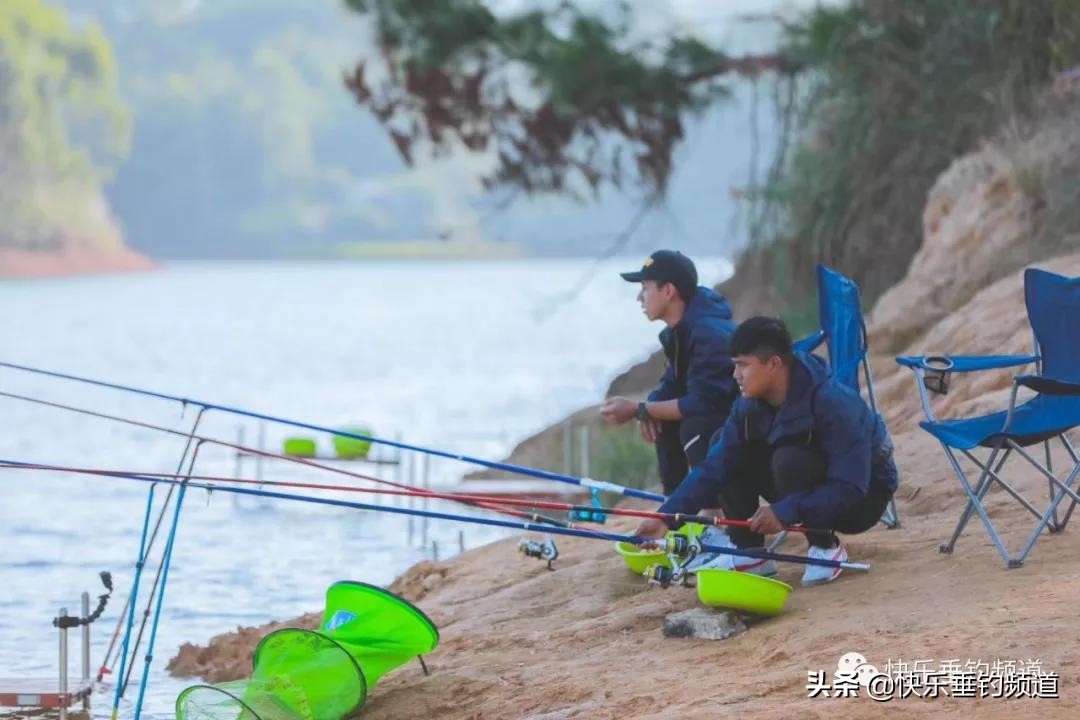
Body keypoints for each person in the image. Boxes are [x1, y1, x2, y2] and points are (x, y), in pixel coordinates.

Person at [635, 316, 899, 586]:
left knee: (790, 460)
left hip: (864, 499)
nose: (735, 375)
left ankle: (825, 550)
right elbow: (715, 466)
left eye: (743, 366)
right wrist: (666, 518)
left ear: (774, 364)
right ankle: (750, 555)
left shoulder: (833, 403)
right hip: (808, 488)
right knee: (721, 446)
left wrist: (784, 512)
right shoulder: (748, 404)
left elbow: (850, 486)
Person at [600, 250, 739, 495]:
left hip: (744, 427)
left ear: (668, 291)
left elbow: (704, 403)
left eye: (645, 288)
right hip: (719, 417)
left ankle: (712, 520)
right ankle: (677, 521)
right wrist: (650, 408)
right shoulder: (682, 330)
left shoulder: (707, 333)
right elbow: (673, 383)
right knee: (663, 419)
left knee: (694, 424)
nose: (639, 298)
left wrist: (638, 409)